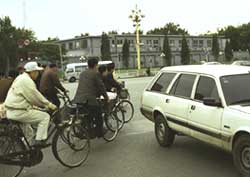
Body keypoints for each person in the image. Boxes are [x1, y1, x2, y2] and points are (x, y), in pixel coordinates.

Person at [4, 62, 57, 147]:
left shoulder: (21, 77)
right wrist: (49, 105)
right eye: (36, 72)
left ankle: (24, 152)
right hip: (19, 111)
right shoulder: (27, 80)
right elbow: (35, 96)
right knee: (45, 117)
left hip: (12, 110)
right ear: (32, 72)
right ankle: (39, 141)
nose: (38, 74)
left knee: (29, 133)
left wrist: (42, 105)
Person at [74, 58, 109, 138]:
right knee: (98, 114)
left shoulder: (82, 73)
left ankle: (86, 130)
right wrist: (106, 97)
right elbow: (101, 86)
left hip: (78, 99)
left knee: (87, 115)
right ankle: (99, 132)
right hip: (89, 100)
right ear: (96, 65)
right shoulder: (95, 73)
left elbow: (88, 86)